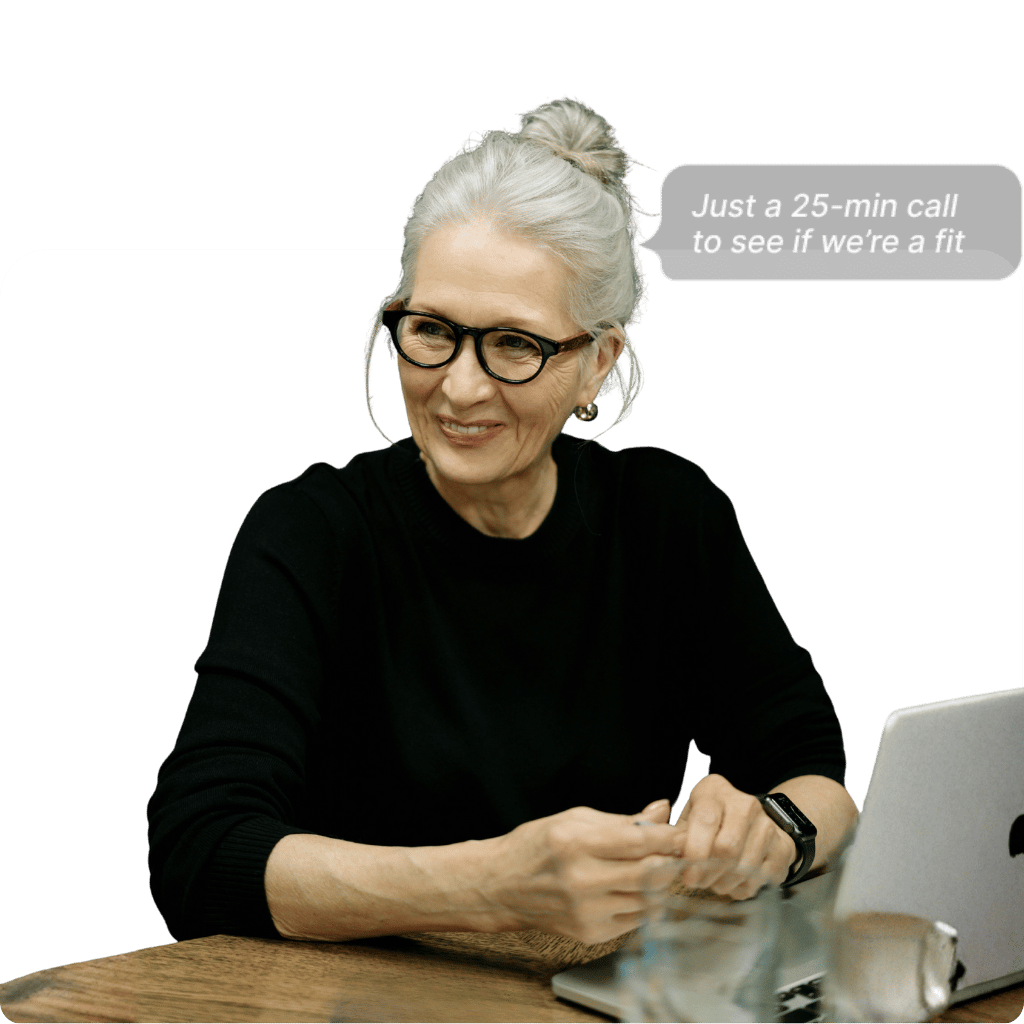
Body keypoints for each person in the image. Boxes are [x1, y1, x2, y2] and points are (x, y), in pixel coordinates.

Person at [147, 95, 858, 949]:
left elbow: (814, 771)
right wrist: (485, 886)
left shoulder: (670, 516)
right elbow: (199, 854)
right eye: (432, 330)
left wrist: (775, 833)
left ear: (598, 360)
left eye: (516, 345)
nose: (459, 388)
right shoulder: (311, 533)